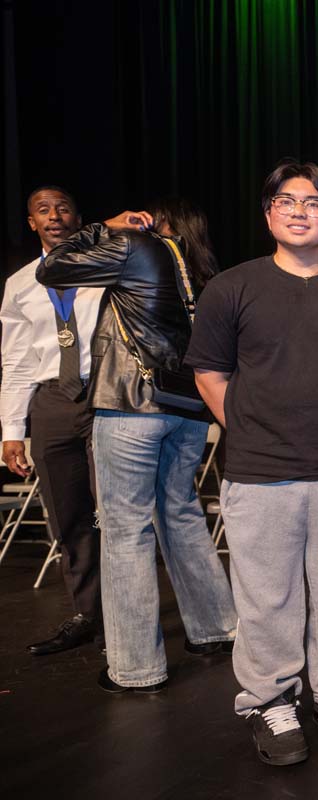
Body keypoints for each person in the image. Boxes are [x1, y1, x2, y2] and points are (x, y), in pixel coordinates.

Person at [186, 161, 318, 766]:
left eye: (314, 202)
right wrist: (247, 428)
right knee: (267, 599)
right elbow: (209, 372)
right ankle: (271, 701)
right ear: (269, 213)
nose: (300, 210)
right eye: (287, 200)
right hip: (259, 472)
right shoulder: (232, 288)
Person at [37, 197, 238, 693]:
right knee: (182, 513)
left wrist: (104, 226)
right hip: (188, 412)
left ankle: (136, 668)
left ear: (157, 221)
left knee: (126, 530)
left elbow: (53, 268)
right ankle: (216, 629)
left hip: (130, 405)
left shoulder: (137, 246)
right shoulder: (203, 270)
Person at [2, 186, 103, 655]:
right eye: (43, 210)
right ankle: (88, 613)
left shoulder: (106, 265)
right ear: (31, 222)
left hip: (105, 392)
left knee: (118, 515)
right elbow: (17, 361)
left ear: (78, 216)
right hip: (50, 401)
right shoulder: (21, 283)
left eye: (63, 207)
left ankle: (127, 618)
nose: (55, 215)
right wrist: (11, 432)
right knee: (68, 516)